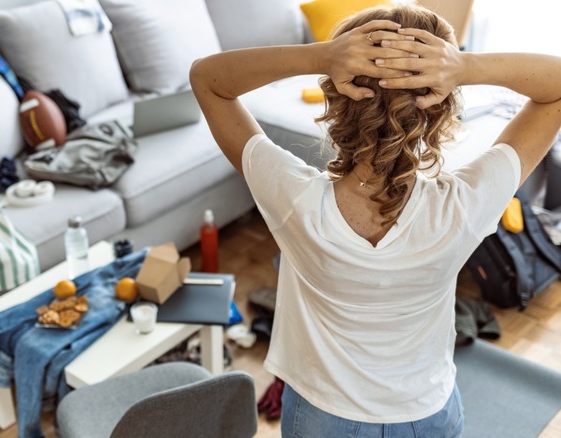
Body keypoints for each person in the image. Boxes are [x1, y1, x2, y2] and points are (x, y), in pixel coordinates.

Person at [190, 4, 561, 437]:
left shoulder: (292, 196)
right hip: (427, 416)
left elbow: (207, 79)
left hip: (321, 418)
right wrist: (465, 65)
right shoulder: (463, 205)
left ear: (336, 95)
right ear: (439, 108)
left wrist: (320, 55)